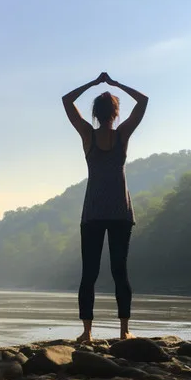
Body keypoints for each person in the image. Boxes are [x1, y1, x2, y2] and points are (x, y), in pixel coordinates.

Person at [62, 72, 149, 342]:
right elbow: (143, 101)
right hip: (120, 213)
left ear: (96, 114)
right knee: (119, 270)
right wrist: (115, 84)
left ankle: (87, 332)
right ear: (115, 112)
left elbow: (67, 100)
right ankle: (124, 331)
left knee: (90, 272)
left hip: (93, 214)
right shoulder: (122, 135)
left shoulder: (87, 135)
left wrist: (93, 83)